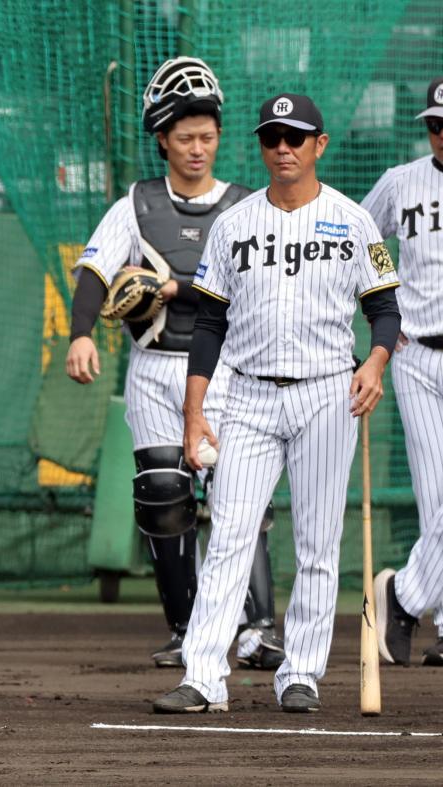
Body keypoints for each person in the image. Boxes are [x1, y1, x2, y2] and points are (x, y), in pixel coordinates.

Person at [153, 93, 401, 714]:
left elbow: (384, 308)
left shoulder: (353, 221)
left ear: (320, 145)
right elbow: (208, 324)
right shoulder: (234, 225)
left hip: (326, 393)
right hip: (251, 396)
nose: (283, 148)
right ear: (262, 147)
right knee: (232, 535)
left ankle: (302, 674)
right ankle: (204, 675)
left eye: (295, 137)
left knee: (318, 543)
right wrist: (194, 410)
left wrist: (375, 361)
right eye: (272, 138)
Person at [66, 57, 284, 670]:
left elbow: (256, 292)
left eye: (208, 136)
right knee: (163, 494)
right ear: (161, 137)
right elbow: (94, 272)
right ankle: (187, 630)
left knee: (240, 499)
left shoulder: (246, 207)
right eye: (185, 137)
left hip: (227, 370)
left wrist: (173, 291)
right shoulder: (135, 205)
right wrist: (81, 334)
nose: (197, 148)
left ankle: (258, 626)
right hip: (155, 367)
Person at [363, 76, 443, 668]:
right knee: (438, 500)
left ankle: (406, 597)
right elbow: (364, 243)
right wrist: (383, 312)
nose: (441, 135)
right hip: (417, 355)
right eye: (434, 125)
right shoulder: (401, 183)